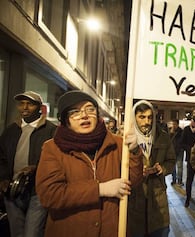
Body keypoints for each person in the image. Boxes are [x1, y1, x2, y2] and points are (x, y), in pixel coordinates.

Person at [35, 90, 143, 237]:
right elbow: (50, 195)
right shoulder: (52, 148)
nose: (84, 115)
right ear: (65, 119)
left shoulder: (117, 143)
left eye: (90, 109)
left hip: (110, 229)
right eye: (75, 112)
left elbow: (133, 182)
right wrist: (100, 189)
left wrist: (135, 152)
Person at [0, 91, 57, 237]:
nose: (24, 107)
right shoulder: (10, 130)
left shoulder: (51, 131)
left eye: (30, 104)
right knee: (17, 233)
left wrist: (36, 169)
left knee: (32, 233)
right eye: (21, 104)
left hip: (37, 192)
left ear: (39, 107)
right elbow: (2, 158)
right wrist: (3, 179)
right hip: (12, 193)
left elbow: (56, 160)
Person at [127, 100, 176, 237]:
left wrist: (163, 168)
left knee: (158, 230)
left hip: (157, 194)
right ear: (134, 117)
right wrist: (134, 171)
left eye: (150, 117)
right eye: (142, 117)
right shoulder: (124, 139)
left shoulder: (163, 137)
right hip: (134, 196)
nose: (146, 121)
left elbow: (171, 160)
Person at [169, 119, 184, 186]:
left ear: (178, 124)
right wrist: (171, 133)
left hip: (179, 151)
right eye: (173, 124)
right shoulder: (170, 131)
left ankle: (180, 181)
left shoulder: (181, 132)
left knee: (179, 167)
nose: (174, 125)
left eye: (175, 124)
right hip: (172, 151)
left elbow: (182, 141)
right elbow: (168, 140)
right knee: (173, 167)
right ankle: (174, 180)